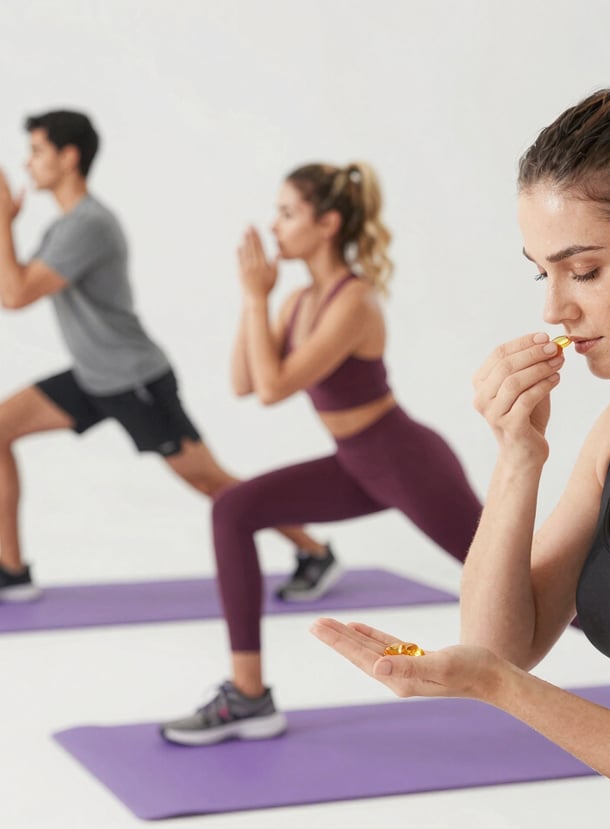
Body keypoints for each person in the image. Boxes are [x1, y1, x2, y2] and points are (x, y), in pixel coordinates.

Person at [311, 75, 610, 829]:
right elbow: (501, 639)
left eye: (583, 270)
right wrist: (517, 454)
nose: (556, 309)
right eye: (540, 275)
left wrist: (500, 690)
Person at [160, 161, 482, 746]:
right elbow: (243, 381)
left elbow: (274, 387)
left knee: (520, 581)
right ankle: (248, 695)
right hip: (356, 463)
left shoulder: (353, 301)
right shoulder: (296, 301)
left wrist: (260, 299)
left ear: (327, 223)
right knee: (232, 508)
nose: (274, 226)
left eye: (287, 213)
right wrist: (252, 299)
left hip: (405, 461)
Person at [0, 109, 332, 601]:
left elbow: (15, 294)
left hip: (133, 379)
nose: (28, 164)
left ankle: (315, 552)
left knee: (206, 478)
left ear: (69, 158)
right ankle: (12, 571)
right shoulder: (66, 226)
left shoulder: (88, 224)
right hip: (95, 375)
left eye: (37, 151)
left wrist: (4, 221)